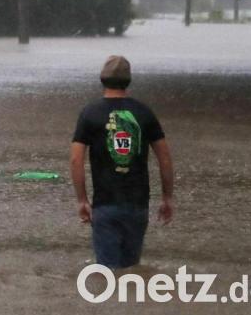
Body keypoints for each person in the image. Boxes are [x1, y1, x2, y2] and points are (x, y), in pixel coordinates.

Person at [70, 55, 174, 269]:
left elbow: (75, 160)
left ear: (102, 79)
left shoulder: (90, 113)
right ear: (129, 80)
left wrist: (82, 199)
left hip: (105, 205)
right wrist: (167, 197)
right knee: (131, 271)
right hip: (137, 205)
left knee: (107, 276)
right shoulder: (144, 112)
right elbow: (164, 158)